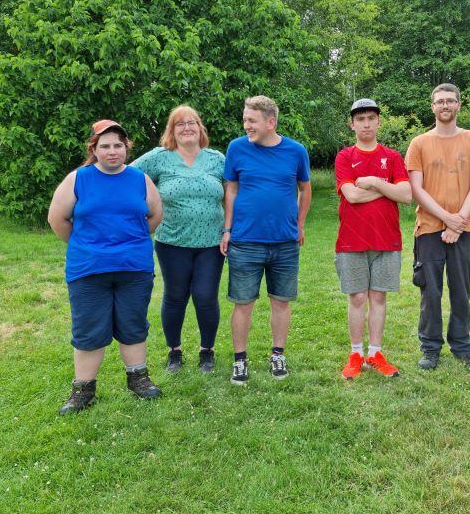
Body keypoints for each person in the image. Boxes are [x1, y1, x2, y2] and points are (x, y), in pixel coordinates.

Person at [48, 120, 163, 415]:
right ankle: (83, 390)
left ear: (126, 148)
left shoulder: (140, 179)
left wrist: (131, 241)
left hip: (133, 268)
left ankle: (138, 379)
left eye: (118, 145)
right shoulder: (78, 179)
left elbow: (154, 215)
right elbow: (57, 219)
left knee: (133, 324)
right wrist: (86, 245)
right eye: (105, 146)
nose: (112, 151)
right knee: (89, 328)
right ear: (94, 150)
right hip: (88, 269)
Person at [219, 96, 312, 385]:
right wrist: (227, 228)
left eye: (251, 120)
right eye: (245, 119)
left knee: (281, 301)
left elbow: (305, 190)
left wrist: (299, 224)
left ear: (270, 122)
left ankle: (277, 354)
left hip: (284, 242)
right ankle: (240, 360)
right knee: (243, 303)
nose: (246, 125)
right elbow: (231, 190)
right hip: (245, 241)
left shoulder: (296, 151)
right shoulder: (236, 149)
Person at [131, 106, 226, 375]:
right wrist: (140, 209)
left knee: (206, 297)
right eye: (179, 124)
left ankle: (207, 351)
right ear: (171, 131)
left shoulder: (216, 159)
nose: (187, 128)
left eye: (192, 122)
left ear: (200, 128)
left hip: (211, 243)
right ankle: (175, 351)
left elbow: (233, 192)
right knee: (175, 296)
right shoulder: (160, 158)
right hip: (172, 241)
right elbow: (128, 177)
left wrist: (229, 228)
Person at [405, 83, 470, 371]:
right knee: (430, 292)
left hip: (465, 229)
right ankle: (430, 349)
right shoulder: (419, 143)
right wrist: (446, 217)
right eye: (440, 101)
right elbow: (416, 188)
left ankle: (462, 347)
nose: (445, 105)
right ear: (432, 107)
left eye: (450, 101)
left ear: (458, 106)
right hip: (428, 228)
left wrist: (458, 221)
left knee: (461, 290)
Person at [335, 98, 412, 380]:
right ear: (352, 123)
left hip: (387, 239)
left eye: (371, 118)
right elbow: (352, 196)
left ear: (379, 121)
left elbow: (406, 195)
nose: (366, 123)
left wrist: (375, 182)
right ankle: (356, 354)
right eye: (360, 119)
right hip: (351, 240)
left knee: (378, 296)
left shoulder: (392, 157)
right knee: (357, 297)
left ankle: (375, 353)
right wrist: (389, 187)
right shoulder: (344, 157)